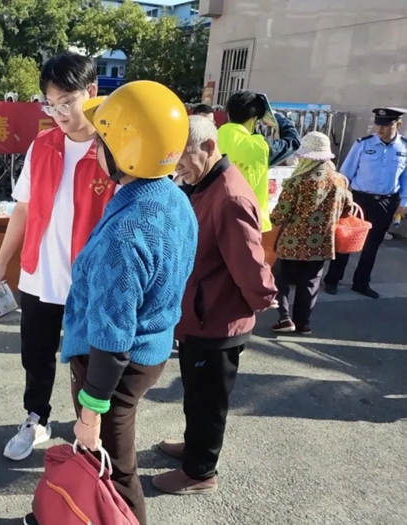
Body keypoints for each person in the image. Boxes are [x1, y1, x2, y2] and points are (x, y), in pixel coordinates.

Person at [24, 81, 197, 525]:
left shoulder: (126, 232)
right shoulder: (174, 200)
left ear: (125, 152)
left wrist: (91, 412)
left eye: (102, 140)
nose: (96, 146)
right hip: (149, 349)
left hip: (113, 368)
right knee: (106, 459)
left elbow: (113, 336)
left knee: (114, 469)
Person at [0, 52, 117, 462]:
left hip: (88, 280)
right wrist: (0, 263)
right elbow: (23, 208)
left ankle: (91, 433)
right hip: (40, 276)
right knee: (36, 356)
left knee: (89, 364)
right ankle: (36, 418)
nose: (58, 114)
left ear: (91, 92)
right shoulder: (42, 145)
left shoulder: (112, 149)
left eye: (67, 103)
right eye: (50, 104)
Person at [153, 116, 277, 496]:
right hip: (200, 314)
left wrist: (264, 297)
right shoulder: (205, 184)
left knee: (208, 401)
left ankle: (200, 471)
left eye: (182, 159)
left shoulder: (229, 196)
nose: (177, 169)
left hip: (217, 320)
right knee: (196, 393)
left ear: (208, 147)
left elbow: (250, 263)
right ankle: (194, 447)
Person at [269, 132, 353, 334]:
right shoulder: (340, 180)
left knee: (280, 278)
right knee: (310, 283)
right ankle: (303, 323)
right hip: (321, 242)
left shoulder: (296, 181)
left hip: (291, 242)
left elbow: (280, 215)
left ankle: (284, 318)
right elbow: (347, 209)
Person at [323, 107, 407, 299]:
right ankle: (332, 280)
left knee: (372, 245)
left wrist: (404, 201)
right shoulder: (363, 144)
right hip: (359, 200)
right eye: (378, 124)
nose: (380, 129)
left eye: (386, 125)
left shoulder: (404, 148)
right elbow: (345, 174)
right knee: (345, 240)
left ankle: (361, 283)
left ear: (398, 124)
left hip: (385, 202)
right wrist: (343, 199)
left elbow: (405, 178)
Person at [218, 90, 301, 234]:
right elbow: (293, 141)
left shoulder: (212, 136)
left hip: (215, 217)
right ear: (255, 118)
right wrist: (278, 118)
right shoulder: (262, 147)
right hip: (248, 220)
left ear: (229, 113)